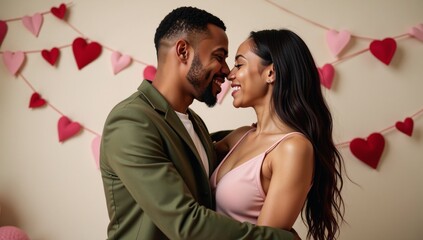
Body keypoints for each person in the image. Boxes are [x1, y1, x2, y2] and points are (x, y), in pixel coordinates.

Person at [100, 7, 296, 240]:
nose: (226, 70)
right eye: (219, 56)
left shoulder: (196, 124)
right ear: (183, 51)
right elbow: (186, 223)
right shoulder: (131, 121)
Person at [211, 29, 345, 240]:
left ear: (271, 73)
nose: (230, 74)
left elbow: (266, 238)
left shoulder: (292, 149)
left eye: (239, 64)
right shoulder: (240, 136)